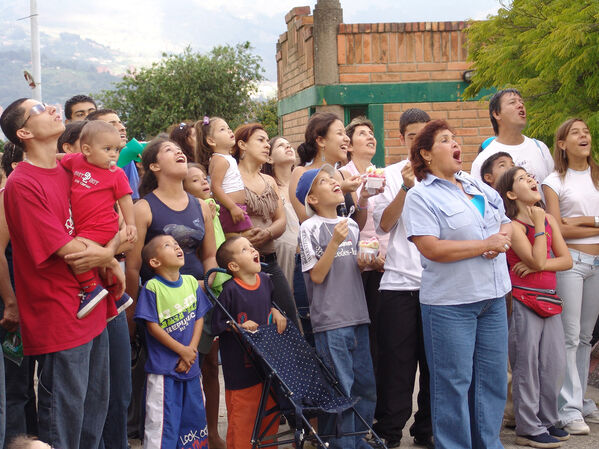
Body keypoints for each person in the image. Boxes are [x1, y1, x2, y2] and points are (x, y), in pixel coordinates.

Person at [0, 98, 125, 448]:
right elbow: (68, 251)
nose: (52, 108)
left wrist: (108, 255)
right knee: (64, 420)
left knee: (94, 413)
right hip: (60, 313)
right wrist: (111, 254)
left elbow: (110, 217)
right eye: (39, 109)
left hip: (94, 305)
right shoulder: (22, 183)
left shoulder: (71, 168)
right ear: (24, 132)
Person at [404, 119, 512, 449]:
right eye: (445, 140)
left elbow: (504, 222)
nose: (455, 144)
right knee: (453, 383)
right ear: (425, 153)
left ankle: (488, 444)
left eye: (456, 138)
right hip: (451, 305)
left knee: (492, 382)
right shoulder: (421, 196)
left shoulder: (477, 186)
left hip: (493, 298)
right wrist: (485, 245)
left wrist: (501, 239)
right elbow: (431, 248)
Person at [296, 164, 377, 449]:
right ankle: (341, 444)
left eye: (333, 178)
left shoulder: (351, 225)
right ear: (312, 199)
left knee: (364, 385)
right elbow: (317, 275)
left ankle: (356, 440)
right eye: (324, 181)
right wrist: (335, 242)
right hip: (331, 320)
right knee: (340, 387)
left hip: (357, 314)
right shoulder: (309, 228)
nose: (333, 183)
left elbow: (353, 266)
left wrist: (370, 260)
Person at [371, 108, 433, 449]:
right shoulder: (390, 174)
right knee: (397, 365)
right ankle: (389, 430)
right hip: (399, 284)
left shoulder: (448, 175)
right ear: (401, 139)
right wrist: (406, 189)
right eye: (412, 138)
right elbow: (384, 224)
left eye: (426, 138)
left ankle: (427, 429)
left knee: (435, 366)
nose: (419, 145)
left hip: (439, 286)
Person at [497, 166, 571, 448]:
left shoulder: (550, 218)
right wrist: (539, 225)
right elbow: (538, 259)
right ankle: (528, 426)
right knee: (526, 365)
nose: (531, 180)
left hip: (549, 299)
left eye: (531, 176)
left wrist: (538, 263)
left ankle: (548, 419)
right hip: (523, 299)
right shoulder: (514, 226)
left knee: (553, 363)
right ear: (511, 193)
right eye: (522, 179)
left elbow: (564, 260)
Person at [542, 118, 599, 435]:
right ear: (562, 143)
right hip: (572, 263)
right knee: (569, 335)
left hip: (597, 263)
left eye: (586, 131)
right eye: (576, 132)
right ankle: (567, 409)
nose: (584, 135)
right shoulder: (553, 181)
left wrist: (582, 221)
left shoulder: (597, 175)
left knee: (586, 338)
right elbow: (558, 227)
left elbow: (569, 222)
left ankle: (580, 402)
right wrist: (593, 220)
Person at [134, 234, 211, 449]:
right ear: (155, 262)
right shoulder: (152, 287)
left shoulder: (191, 283)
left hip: (191, 368)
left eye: (176, 244)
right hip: (164, 371)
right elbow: (152, 326)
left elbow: (199, 317)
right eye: (168, 245)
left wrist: (191, 351)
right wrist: (181, 351)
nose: (176, 246)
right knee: (162, 427)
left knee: (194, 425)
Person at [212, 235, 287, 449]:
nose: (253, 250)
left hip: (267, 365)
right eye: (245, 249)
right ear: (233, 265)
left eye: (252, 246)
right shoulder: (230, 290)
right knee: (243, 422)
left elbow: (269, 303)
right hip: (241, 372)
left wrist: (277, 312)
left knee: (269, 420)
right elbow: (217, 323)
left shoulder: (265, 280)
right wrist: (238, 325)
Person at [59, 120, 136, 318]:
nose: (113, 154)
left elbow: (126, 200)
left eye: (116, 150)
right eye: (107, 149)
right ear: (86, 149)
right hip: (86, 226)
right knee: (99, 264)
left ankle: (90, 289)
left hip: (102, 226)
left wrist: (131, 224)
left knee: (78, 255)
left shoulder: (116, 174)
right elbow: (59, 158)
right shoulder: (76, 161)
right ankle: (118, 296)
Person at [234, 123, 300, 327]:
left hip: (271, 261)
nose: (266, 146)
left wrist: (268, 232)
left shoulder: (269, 180)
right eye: (260, 140)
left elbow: (281, 220)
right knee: (256, 326)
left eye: (267, 141)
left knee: (289, 320)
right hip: (243, 267)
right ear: (242, 145)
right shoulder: (231, 179)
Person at [183, 162, 227, 449]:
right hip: (181, 299)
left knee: (211, 364)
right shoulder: (185, 211)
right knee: (189, 366)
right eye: (195, 179)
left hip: (210, 292)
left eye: (204, 177)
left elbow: (214, 253)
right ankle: (192, 432)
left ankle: (212, 432)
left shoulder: (209, 210)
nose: (203, 182)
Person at [340, 117, 387, 373]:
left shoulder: (382, 173)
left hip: (384, 262)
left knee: (383, 334)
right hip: (357, 263)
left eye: (372, 132)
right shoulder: (343, 176)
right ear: (349, 145)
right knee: (365, 333)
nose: (370, 137)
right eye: (362, 133)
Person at [0, 143, 36, 445]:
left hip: (38, 304)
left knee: (30, 385)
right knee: (17, 385)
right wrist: (10, 303)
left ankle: (34, 439)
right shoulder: (7, 197)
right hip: (14, 306)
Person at [289, 112, 368, 230]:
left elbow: (357, 226)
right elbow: (306, 219)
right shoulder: (301, 173)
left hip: (346, 247)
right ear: (321, 141)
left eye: (346, 134)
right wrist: (341, 189)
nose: (346, 139)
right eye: (339, 133)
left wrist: (364, 198)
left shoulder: (345, 175)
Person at [470, 88, 554, 184]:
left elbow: (553, 190)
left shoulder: (540, 148)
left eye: (521, 102)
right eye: (512, 102)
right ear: (497, 114)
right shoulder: (484, 159)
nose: (520, 105)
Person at [196, 116, 252, 234]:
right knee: (237, 242)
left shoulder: (227, 158)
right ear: (211, 140)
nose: (229, 131)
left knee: (247, 240)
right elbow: (216, 187)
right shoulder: (220, 160)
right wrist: (232, 207)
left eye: (228, 128)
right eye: (222, 129)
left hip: (235, 207)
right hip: (228, 208)